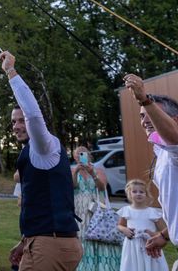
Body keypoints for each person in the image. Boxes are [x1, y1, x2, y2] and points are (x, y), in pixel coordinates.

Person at [1, 50, 82, 271]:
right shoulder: (38, 152)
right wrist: (25, 242)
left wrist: (10, 70)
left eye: (21, 120)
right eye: (13, 122)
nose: (16, 126)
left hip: (50, 245)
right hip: (46, 240)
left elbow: (33, 115)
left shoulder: (44, 146)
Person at [124, 74, 178, 271]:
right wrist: (164, 235)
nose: (145, 120)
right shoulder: (162, 154)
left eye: (151, 113)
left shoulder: (174, 148)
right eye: (141, 115)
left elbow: (174, 138)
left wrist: (144, 100)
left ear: (175, 120)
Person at [72, 146, 121, 270]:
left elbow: (102, 187)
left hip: (97, 208)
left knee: (99, 233)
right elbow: (72, 186)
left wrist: (92, 173)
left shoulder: (98, 170)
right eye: (77, 154)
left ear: (88, 155)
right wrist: (76, 171)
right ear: (74, 157)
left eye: (82, 153)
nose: (80, 156)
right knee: (82, 237)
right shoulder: (72, 170)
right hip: (79, 209)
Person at [117, 179, 169, 271]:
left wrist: (153, 234)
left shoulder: (152, 212)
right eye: (134, 191)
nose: (138, 194)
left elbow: (164, 230)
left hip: (149, 245)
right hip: (132, 246)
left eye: (142, 192)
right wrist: (124, 230)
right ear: (130, 194)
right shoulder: (126, 210)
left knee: (151, 266)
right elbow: (120, 225)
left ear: (146, 194)